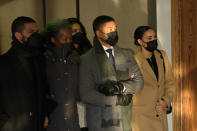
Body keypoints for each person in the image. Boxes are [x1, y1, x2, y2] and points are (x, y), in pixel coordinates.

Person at [79, 15, 144, 131]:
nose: (114, 32)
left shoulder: (127, 54)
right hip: (100, 122)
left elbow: (139, 82)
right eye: (110, 30)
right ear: (99, 33)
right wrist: (116, 100)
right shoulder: (87, 59)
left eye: (115, 29)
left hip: (124, 121)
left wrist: (121, 87)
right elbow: (87, 94)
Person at [0, 16, 49, 131]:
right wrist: (5, 123)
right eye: (31, 32)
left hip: (37, 125)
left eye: (37, 32)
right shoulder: (3, 63)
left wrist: (45, 114)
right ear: (18, 36)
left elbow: (44, 90)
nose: (36, 35)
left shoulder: (39, 60)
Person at [131, 26, 175, 131]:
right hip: (141, 117)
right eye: (149, 38)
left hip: (160, 114)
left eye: (154, 37)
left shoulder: (162, 55)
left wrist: (166, 101)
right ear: (140, 41)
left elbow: (170, 83)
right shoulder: (133, 60)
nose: (153, 40)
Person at [41, 19, 80, 131]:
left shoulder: (74, 59)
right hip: (53, 119)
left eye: (70, 38)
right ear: (53, 40)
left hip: (73, 120)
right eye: (64, 39)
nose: (68, 42)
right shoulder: (44, 60)